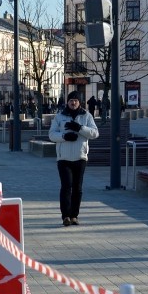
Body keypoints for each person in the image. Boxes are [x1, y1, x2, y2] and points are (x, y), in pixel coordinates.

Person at [48, 91, 99, 227]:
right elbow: (52, 135)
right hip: (63, 158)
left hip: (80, 157)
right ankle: (65, 216)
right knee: (66, 186)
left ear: (79, 102)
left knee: (78, 188)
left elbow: (95, 133)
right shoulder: (59, 117)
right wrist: (64, 137)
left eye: (76, 100)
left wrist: (80, 128)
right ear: (67, 102)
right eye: (71, 100)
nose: (73, 102)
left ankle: (74, 216)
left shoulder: (86, 116)